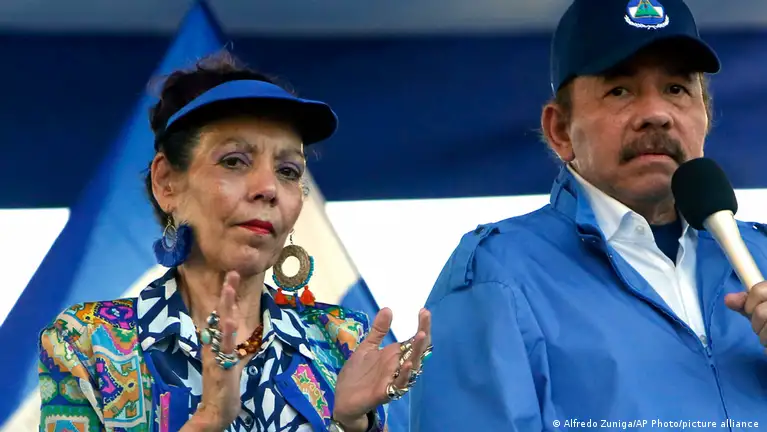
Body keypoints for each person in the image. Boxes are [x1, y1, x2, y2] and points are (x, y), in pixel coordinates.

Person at [411, 0, 767, 430]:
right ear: (560, 130)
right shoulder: (497, 274)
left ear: (705, 115)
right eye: (620, 90)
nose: (657, 114)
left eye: (676, 89)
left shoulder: (760, 258)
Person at [38, 51, 431, 432]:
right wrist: (207, 422)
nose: (268, 188)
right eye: (234, 161)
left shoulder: (341, 339)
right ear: (167, 182)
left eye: (288, 170)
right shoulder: (87, 342)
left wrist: (352, 424)